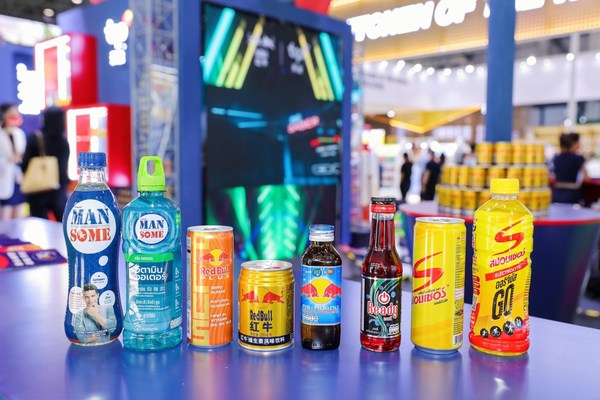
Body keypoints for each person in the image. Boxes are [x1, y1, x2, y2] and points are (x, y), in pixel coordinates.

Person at [22, 107, 70, 221]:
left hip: (37, 189)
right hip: (58, 188)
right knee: (62, 222)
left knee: (40, 224)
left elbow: (25, 164)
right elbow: (64, 167)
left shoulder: (35, 138)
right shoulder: (64, 142)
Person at [0, 103, 27, 220]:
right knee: (5, 215)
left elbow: (22, 154)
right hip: (3, 176)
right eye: (11, 113)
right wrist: (9, 160)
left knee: (19, 214)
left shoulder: (19, 133)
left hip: (17, 178)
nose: (15, 115)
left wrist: (18, 157)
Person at [551, 132, 586, 204]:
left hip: (557, 193)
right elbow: (586, 177)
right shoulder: (578, 158)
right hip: (572, 194)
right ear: (573, 144)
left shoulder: (556, 158)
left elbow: (552, 175)